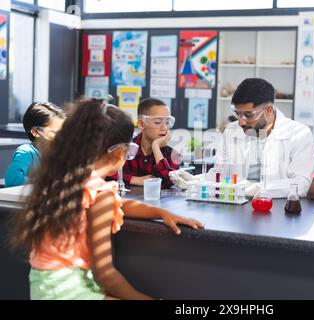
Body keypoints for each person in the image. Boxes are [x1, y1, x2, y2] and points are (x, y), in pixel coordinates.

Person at [9, 99, 204, 300]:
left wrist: (161, 212)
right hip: (69, 291)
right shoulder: (100, 193)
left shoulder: (67, 179)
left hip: (44, 285)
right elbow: (105, 273)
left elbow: (118, 204)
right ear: (121, 153)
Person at [209, 78, 314, 198]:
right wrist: (195, 181)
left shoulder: (299, 134)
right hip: (235, 206)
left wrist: (260, 189)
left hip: (277, 210)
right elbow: (220, 173)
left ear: (268, 110)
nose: (241, 122)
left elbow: (302, 184)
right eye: (238, 113)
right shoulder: (231, 131)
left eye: (248, 114)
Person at [113, 98, 181, 189]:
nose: (164, 128)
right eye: (157, 122)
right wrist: (136, 180)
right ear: (141, 124)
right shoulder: (125, 149)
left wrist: (156, 147)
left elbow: (169, 181)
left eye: (167, 122)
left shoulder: (173, 155)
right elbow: (106, 174)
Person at [5, 102, 65, 187]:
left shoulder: (60, 154)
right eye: (55, 133)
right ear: (35, 132)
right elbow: (12, 180)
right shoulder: (26, 152)